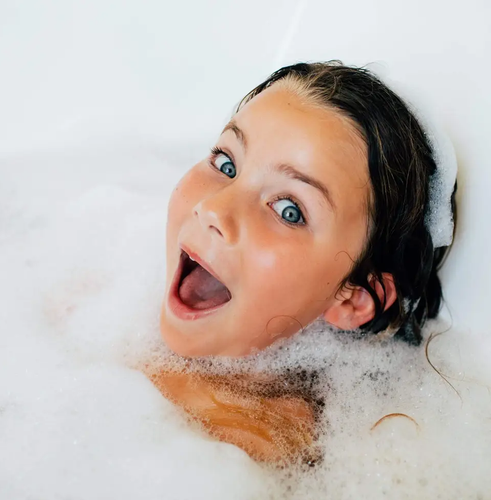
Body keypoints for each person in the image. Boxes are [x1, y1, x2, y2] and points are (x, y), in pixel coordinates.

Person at [148, 61, 457, 464]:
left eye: (289, 210)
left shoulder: (250, 450)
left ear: (353, 299)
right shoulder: (101, 306)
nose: (213, 210)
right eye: (227, 164)